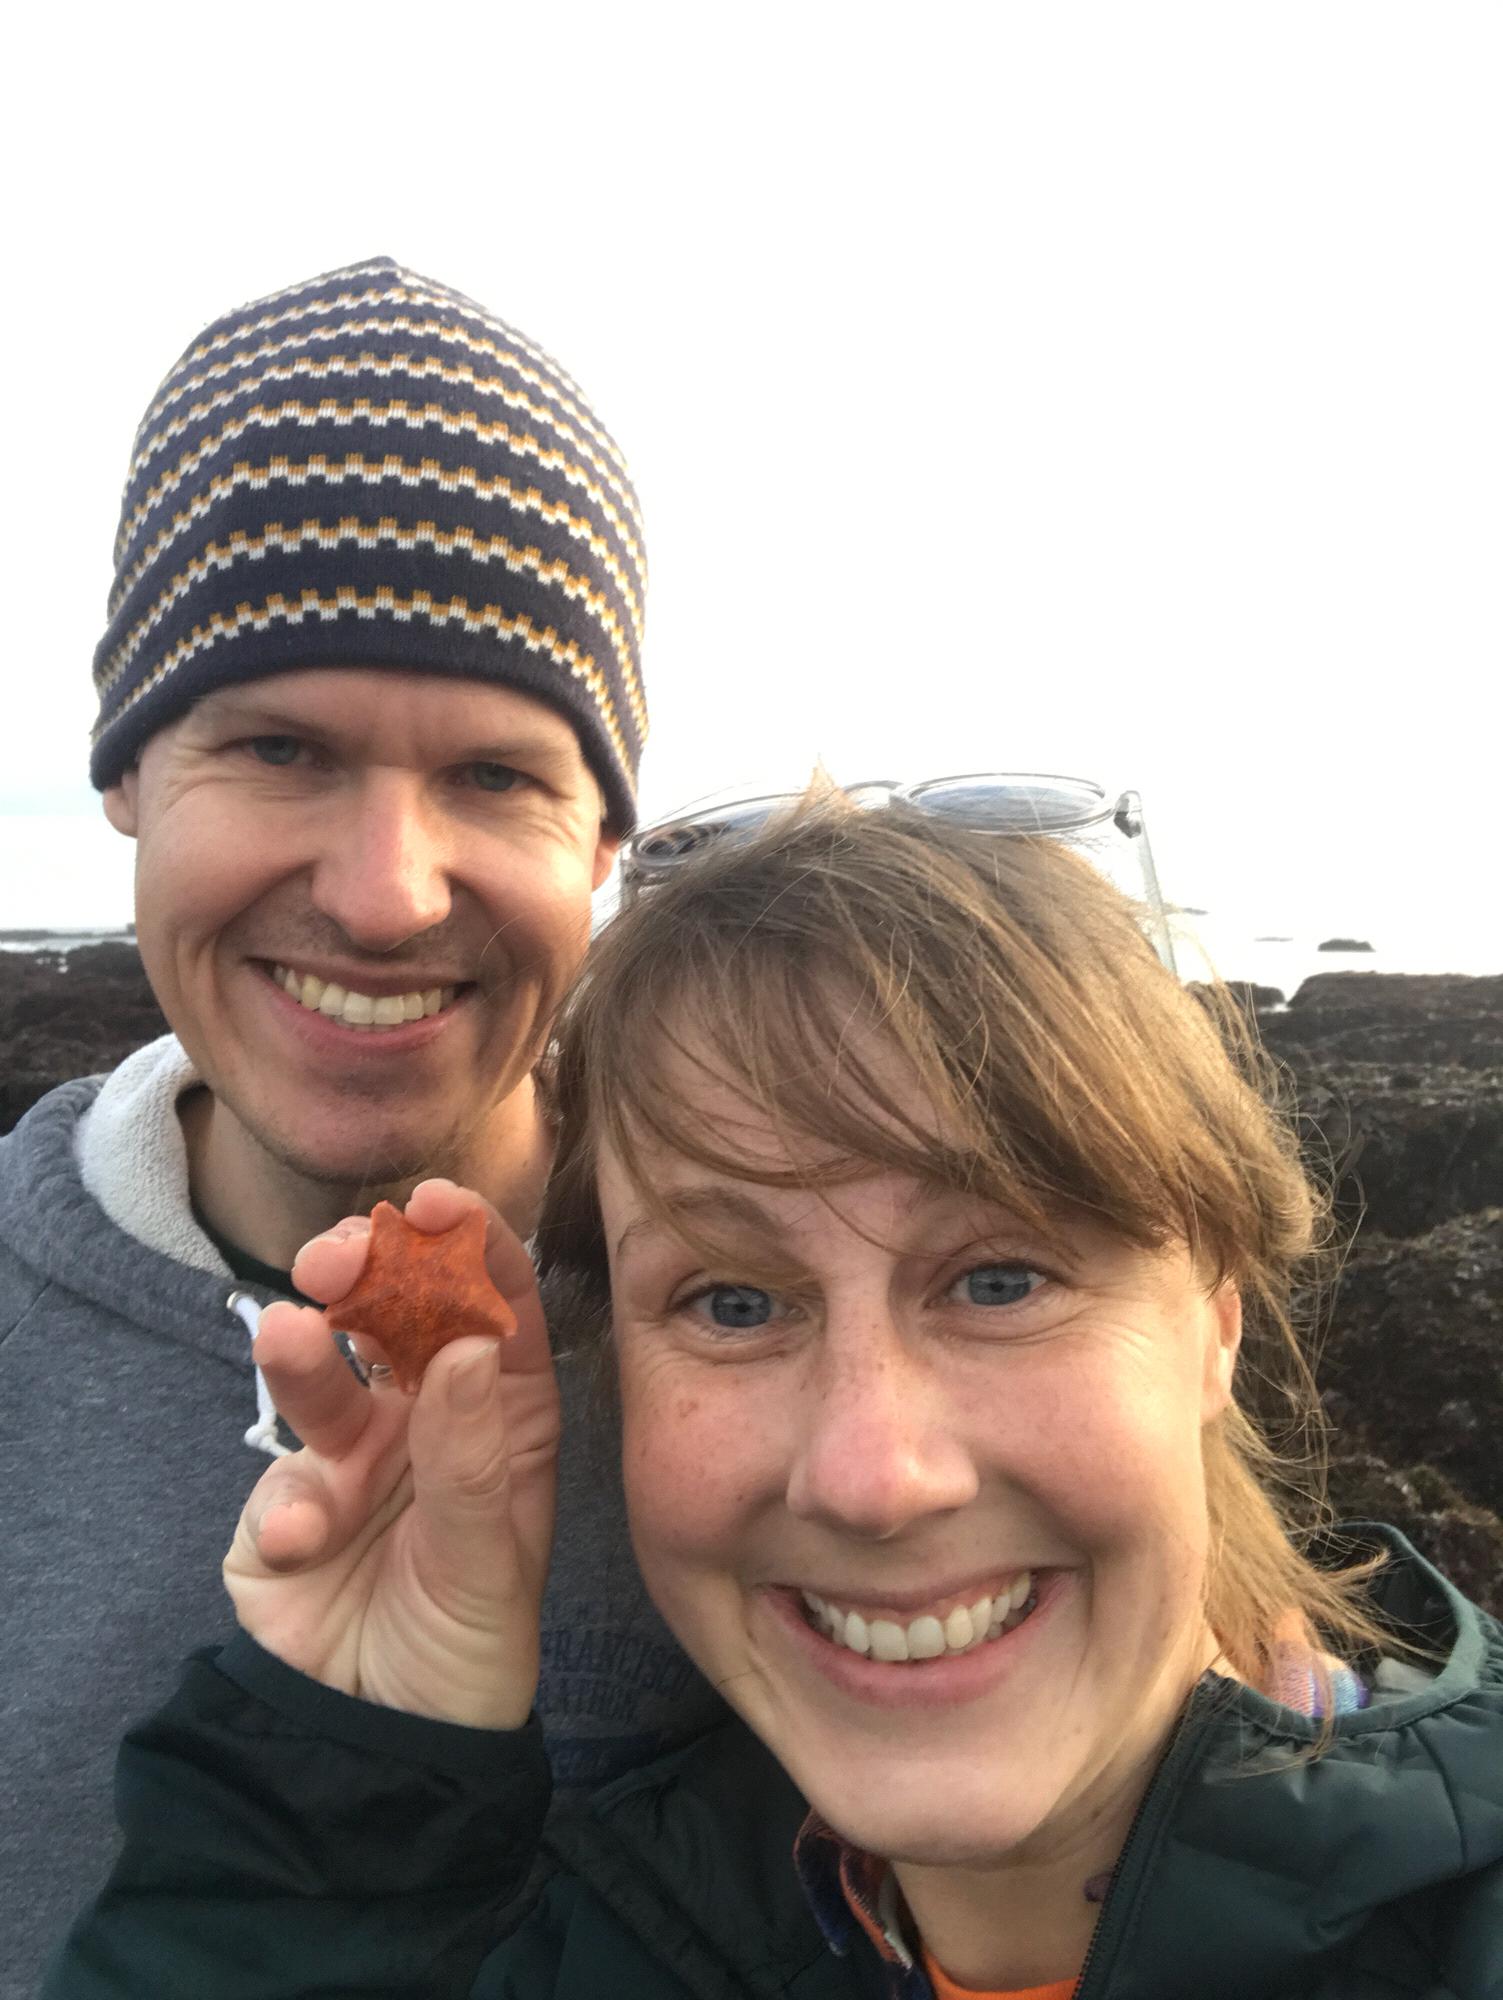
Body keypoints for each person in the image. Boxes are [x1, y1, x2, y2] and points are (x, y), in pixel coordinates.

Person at [47, 792, 1503, 1997]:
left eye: (1001, 1280)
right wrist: (350, 1815)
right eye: (733, 1304)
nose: (873, 1475)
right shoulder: (597, 1940)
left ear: (1218, 1327)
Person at [0, 257, 721, 2000]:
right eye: (277, 748)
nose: (389, 898)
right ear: (124, 774)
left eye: (496, 776)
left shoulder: (781, 1320)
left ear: (606, 844)